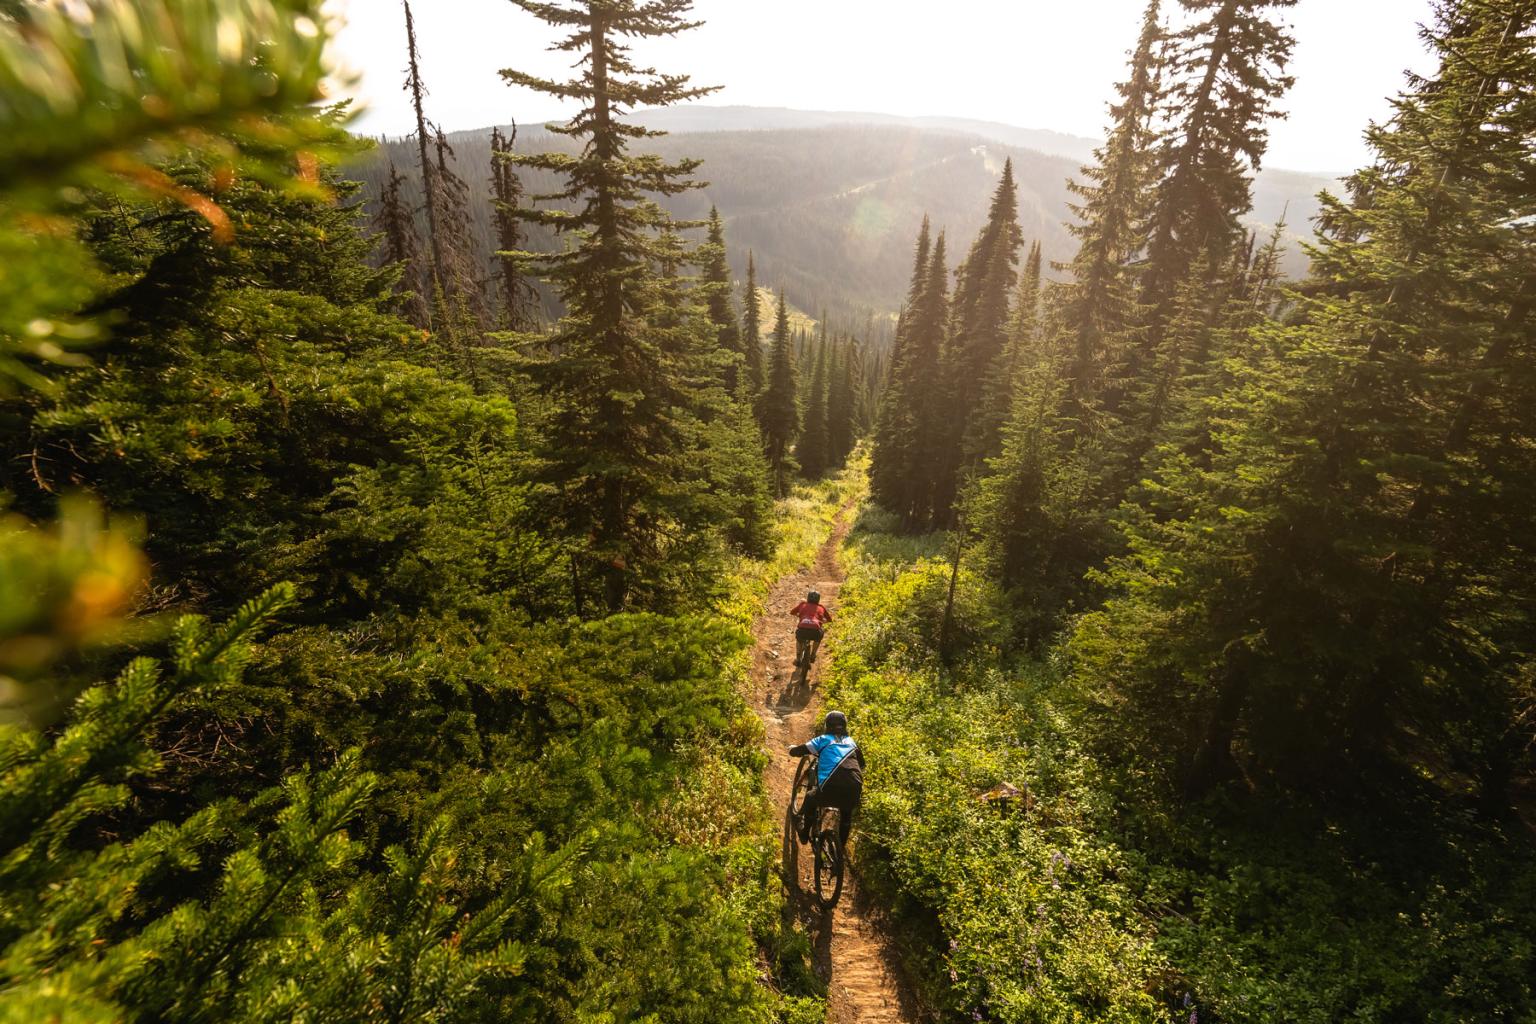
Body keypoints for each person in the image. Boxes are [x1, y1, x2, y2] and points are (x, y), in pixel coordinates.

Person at [789, 710, 863, 845]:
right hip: (854, 787)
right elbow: (862, 764)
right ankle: (839, 849)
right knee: (846, 814)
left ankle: (804, 834)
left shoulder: (823, 740)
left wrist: (792, 750)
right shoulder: (851, 742)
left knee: (811, 798)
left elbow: (801, 750)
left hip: (830, 788)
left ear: (827, 726)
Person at [789, 589, 832, 668]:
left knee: (799, 639)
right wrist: (821, 622)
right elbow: (829, 620)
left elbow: (792, 612)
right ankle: (813, 655)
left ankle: (798, 659)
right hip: (815, 631)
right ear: (818, 599)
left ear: (808, 597)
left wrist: (799, 615)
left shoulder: (803, 604)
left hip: (802, 630)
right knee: (818, 637)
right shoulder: (821, 607)